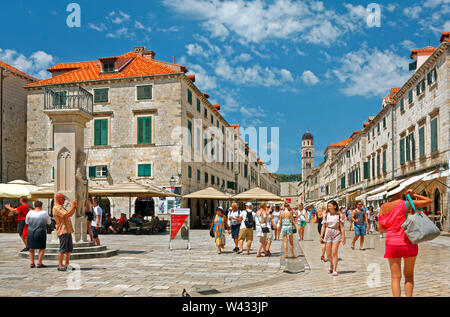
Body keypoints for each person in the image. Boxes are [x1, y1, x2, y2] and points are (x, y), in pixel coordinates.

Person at [378, 189, 432, 297]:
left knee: (395, 277)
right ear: (399, 192)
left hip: (392, 244)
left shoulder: (383, 207)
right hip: (408, 243)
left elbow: (380, 229)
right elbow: (428, 200)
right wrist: (413, 194)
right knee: (409, 276)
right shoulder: (407, 204)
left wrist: (392, 226)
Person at [53, 193, 78, 272]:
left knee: (68, 249)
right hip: (62, 230)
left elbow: (70, 214)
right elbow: (67, 214)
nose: (64, 200)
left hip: (67, 230)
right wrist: (72, 205)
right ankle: (60, 265)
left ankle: (67, 264)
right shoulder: (56, 208)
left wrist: (74, 207)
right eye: (63, 198)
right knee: (62, 249)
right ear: (58, 199)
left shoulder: (61, 207)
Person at [320, 200, 345, 277]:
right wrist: (321, 236)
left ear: (335, 206)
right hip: (328, 233)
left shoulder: (339, 215)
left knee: (334, 252)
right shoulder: (326, 215)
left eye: (330, 206)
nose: (328, 207)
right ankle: (331, 264)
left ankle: (334, 269)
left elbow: (342, 227)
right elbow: (323, 226)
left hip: (336, 233)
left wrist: (343, 237)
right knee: (328, 255)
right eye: (328, 206)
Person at [25, 200, 51, 268]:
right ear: (41, 206)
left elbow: (27, 222)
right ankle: (39, 263)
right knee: (42, 248)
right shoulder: (44, 213)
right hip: (41, 231)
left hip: (30, 232)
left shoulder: (30, 212)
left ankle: (32, 263)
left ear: (34, 206)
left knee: (31, 248)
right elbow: (49, 222)